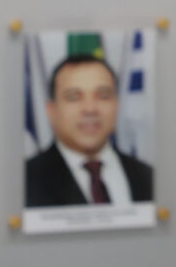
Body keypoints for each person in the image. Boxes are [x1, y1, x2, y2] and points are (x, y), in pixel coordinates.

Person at [25, 54, 152, 207]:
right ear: (52, 111)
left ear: (117, 106)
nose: (90, 109)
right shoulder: (24, 182)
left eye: (103, 96)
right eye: (74, 97)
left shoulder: (148, 176)